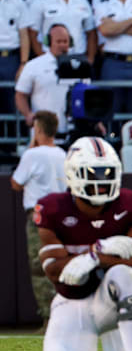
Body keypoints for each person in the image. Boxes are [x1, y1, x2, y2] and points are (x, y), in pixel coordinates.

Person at [36, 136, 132, 351]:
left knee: (124, 274)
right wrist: (96, 252)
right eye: (91, 173)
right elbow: (56, 271)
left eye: (106, 173)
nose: (100, 181)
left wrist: (94, 258)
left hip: (110, 301)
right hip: (72, 300)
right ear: (72, 174)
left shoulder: (128, 203)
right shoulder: (53, 208)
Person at [10, 111, 65, 326]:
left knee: (40, 266)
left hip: (39, 215)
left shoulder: (32, 155)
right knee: (61, 264)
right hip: (62, 214)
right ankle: (64, 316)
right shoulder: (62, 153)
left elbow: (15, 183)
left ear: (38, 130)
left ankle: (49, 319)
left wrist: (32, 146)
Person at [14, 24, 71, 138]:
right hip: (43, 132)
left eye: (65, 41)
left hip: (71, 130)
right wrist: (28, 114)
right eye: (58, 41)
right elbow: (20, 95)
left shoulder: (79, 66)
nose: (62, 45)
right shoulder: (33, 66)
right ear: (49, 42)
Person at [27, 0, 96, 63]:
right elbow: (33, 34)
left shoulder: (82, 2)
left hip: (78, 58)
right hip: (52, 58)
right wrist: (43, 57)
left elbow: (91, 33)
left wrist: (90, 59)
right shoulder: (41, 2)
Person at [0, 0, 29, 114]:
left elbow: (24, 35)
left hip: (11, 60)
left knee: (12, 104)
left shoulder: (17, 3)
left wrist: (23, 63)